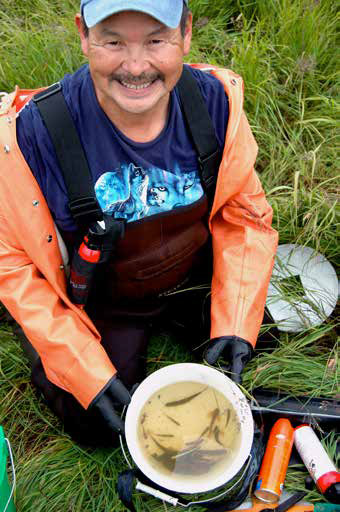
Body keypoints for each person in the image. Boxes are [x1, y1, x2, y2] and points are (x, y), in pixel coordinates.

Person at [0, 0, 278, 446]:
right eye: (113, 41)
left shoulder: (215, 102)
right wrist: (83, 371)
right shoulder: (32, 134)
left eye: (155, 40)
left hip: (191, 277)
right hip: (104, 301)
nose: (135, 66)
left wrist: (235, 323)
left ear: (186, 32)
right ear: (83, 35)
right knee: (98, 425)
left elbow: (243, 215)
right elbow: (15, 268)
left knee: (255, 351)